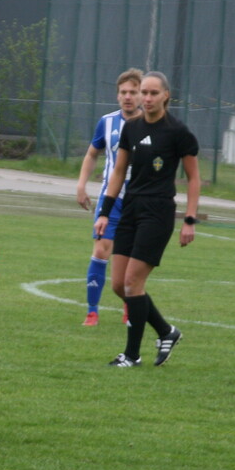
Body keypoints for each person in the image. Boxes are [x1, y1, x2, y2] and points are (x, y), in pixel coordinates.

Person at [93, 71, 200, 368]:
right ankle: (166, 331)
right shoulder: (132, 128)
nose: (147, 98)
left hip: (158, 213)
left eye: (154, 93)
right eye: (144, 92)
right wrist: (104, 212)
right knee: (119, 285)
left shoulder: (178, 132)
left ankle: (131, 355)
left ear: (166, 96)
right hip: (130, 209)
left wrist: (189, 219)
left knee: (133, 282)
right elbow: (118, 172)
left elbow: (194, 178)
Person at [75, 67, 143, 326]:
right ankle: (92, 311)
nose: (128, 97)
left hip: (139, 201)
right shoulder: (107, 122)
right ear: (117, 95)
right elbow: (92, 153)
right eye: (123, 92)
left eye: (133, 92)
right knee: (101, 250)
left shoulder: (152, 125)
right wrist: (81, 185)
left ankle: (129, 304)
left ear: (141, 95)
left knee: (131, 259)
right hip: (111, 199)